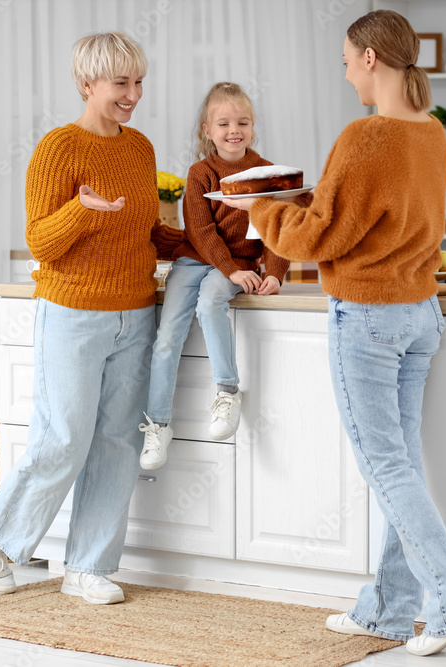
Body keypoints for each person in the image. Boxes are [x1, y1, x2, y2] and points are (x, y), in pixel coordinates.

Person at [222, 10, 446, 657]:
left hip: (368, 317)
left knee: (387, 467)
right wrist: (296, 200)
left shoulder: (365, 135)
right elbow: (368, 210)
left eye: (347, 62)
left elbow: (320, 234)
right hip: (420, 313)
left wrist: (258, 207)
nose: (346, 75)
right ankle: (390, 610)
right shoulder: (431, 133)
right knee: (399, 466)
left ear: (371, 58)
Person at [0, 32, 183, 605]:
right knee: (62, 439)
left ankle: (88, 566)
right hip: (73, 312)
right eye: (120, 84)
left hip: (136, 312)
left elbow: (147, 233)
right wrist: (81, 211)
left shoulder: (140, 150)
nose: (133, 94)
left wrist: (211, 241)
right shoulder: (59, 148)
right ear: (87, 84)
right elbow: (39, 241)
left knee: (116, 444)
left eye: (138, 82)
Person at [138, 82, 289, 469]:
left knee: (209, 306)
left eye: (242, 122)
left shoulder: (268, 173)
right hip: (198, 260)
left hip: (236, 265)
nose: (233, 130)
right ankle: (158, 424)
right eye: (223, 123)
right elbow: (201, 233)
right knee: (167, 338)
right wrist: (232, 270)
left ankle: (228, 392)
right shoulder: (200, 173)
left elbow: (277, 227)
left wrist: (273, 272)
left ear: (253, 126)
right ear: (208, 131)